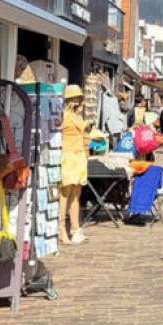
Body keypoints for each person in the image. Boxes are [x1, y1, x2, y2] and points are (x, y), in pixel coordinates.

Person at [60, 84, 90, 245]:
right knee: (65, 193)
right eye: (77, 97)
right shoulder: (63, 115)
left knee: (76, 194)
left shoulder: (77, 116)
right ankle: (61, 229)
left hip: (78, 155)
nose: (79, 100)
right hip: (68, 155)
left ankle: (75, 227)